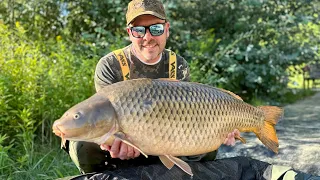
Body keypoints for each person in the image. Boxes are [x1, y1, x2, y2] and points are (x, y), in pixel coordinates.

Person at [65, 0, 240, 174]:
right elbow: (101, 118)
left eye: (156, 29)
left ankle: (174, 174)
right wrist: (117, 142)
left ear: (167, 30)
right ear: (129, 33)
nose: (148, 38)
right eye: (139, 31)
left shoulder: (177, 65)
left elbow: (189, 115)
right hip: (119, 149)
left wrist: (223, 126)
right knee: (83, 143)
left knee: (208, 145)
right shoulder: (110, 65)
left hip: (167, 138)